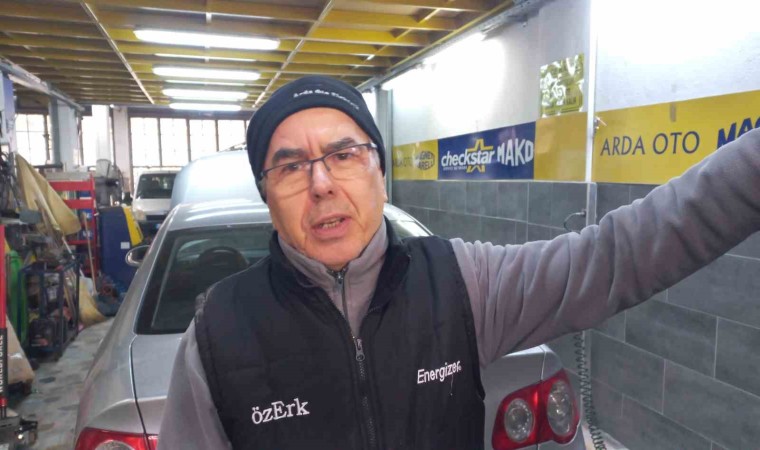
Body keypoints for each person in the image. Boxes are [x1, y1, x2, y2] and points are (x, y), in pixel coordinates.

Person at [157, 75, 760, 450]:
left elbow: (615, 257)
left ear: (380, 175)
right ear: (268, 196)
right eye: (291, 166)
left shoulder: (461, 283)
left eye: (344, 154)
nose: (321, 184)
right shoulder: (216, 336)